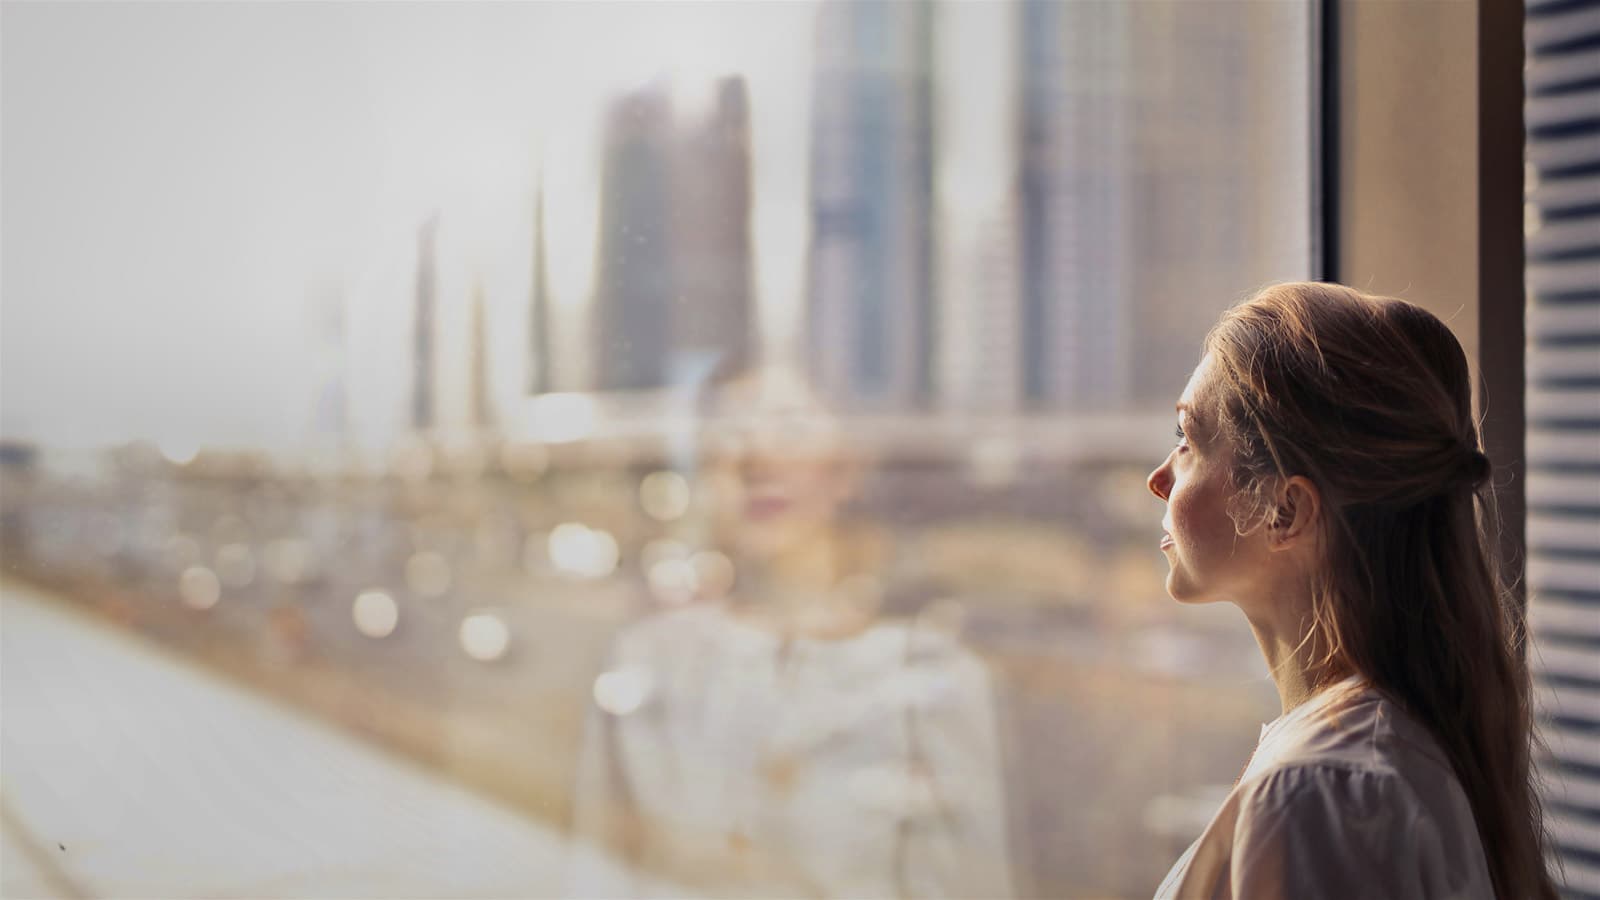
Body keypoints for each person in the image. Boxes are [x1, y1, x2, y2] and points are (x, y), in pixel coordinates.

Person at [1146, 282, 1555, 899]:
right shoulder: (1364, 760)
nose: (1158, 479)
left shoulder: (1321, 792)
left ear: (1285, 511)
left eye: (1188, 440)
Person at [565, 360, 1014, 899]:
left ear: (848, 467)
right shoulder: (651, 661)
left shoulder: (933, 680)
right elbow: (599, 874)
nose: (753, 458)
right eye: (728, 434)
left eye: (789, 428)